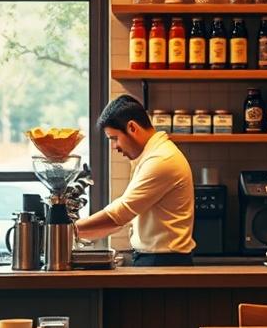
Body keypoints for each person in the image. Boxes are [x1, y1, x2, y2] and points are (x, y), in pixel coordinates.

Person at [76, 95, 196, 266]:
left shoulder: (161, 159)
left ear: (132, 127)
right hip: (159, 260)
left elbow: (120, 213)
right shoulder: (152, 155)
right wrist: (77, 232)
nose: (115, 147)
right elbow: (119, 220)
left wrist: (69, 230)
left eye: (115, 138)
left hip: (163, 263)